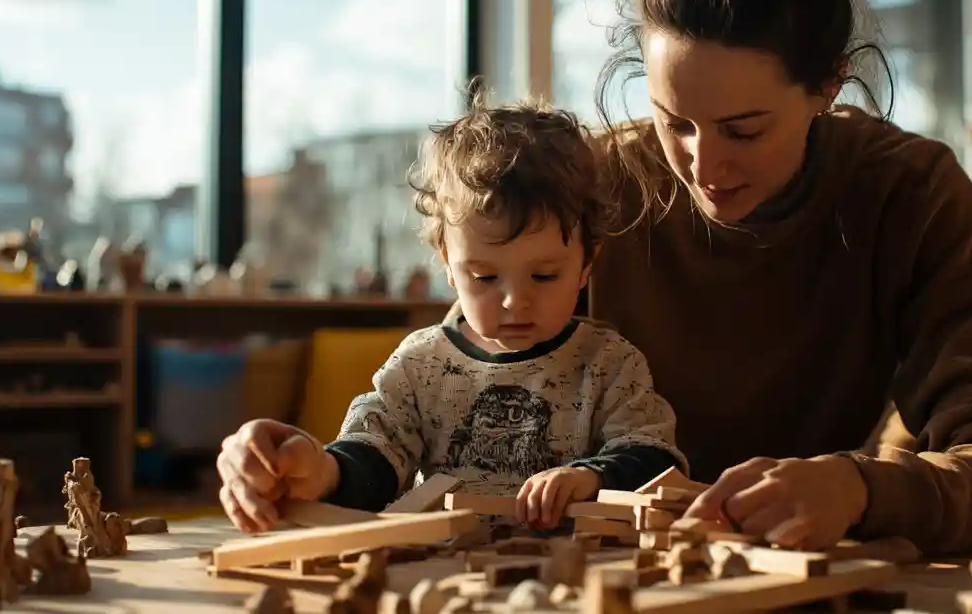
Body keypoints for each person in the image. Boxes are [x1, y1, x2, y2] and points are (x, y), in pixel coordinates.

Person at [585, 0, 972, 555]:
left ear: (828, 86)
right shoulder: (593, 185)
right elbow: (453, 386)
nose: (703, 165)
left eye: (744, 130)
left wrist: (860, 489)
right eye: (673, 122)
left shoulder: (909, 192)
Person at [215, 97, 685, 533]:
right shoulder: (421, 365)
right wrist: (319, 470)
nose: (513, 302)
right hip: (446, 577)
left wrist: (591, 477)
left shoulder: (609, 364)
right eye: (484, 277)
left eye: (543, 277)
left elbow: (655, 459)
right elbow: (376, 457)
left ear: (586, 265)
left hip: (572, 581)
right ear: (448, 265)